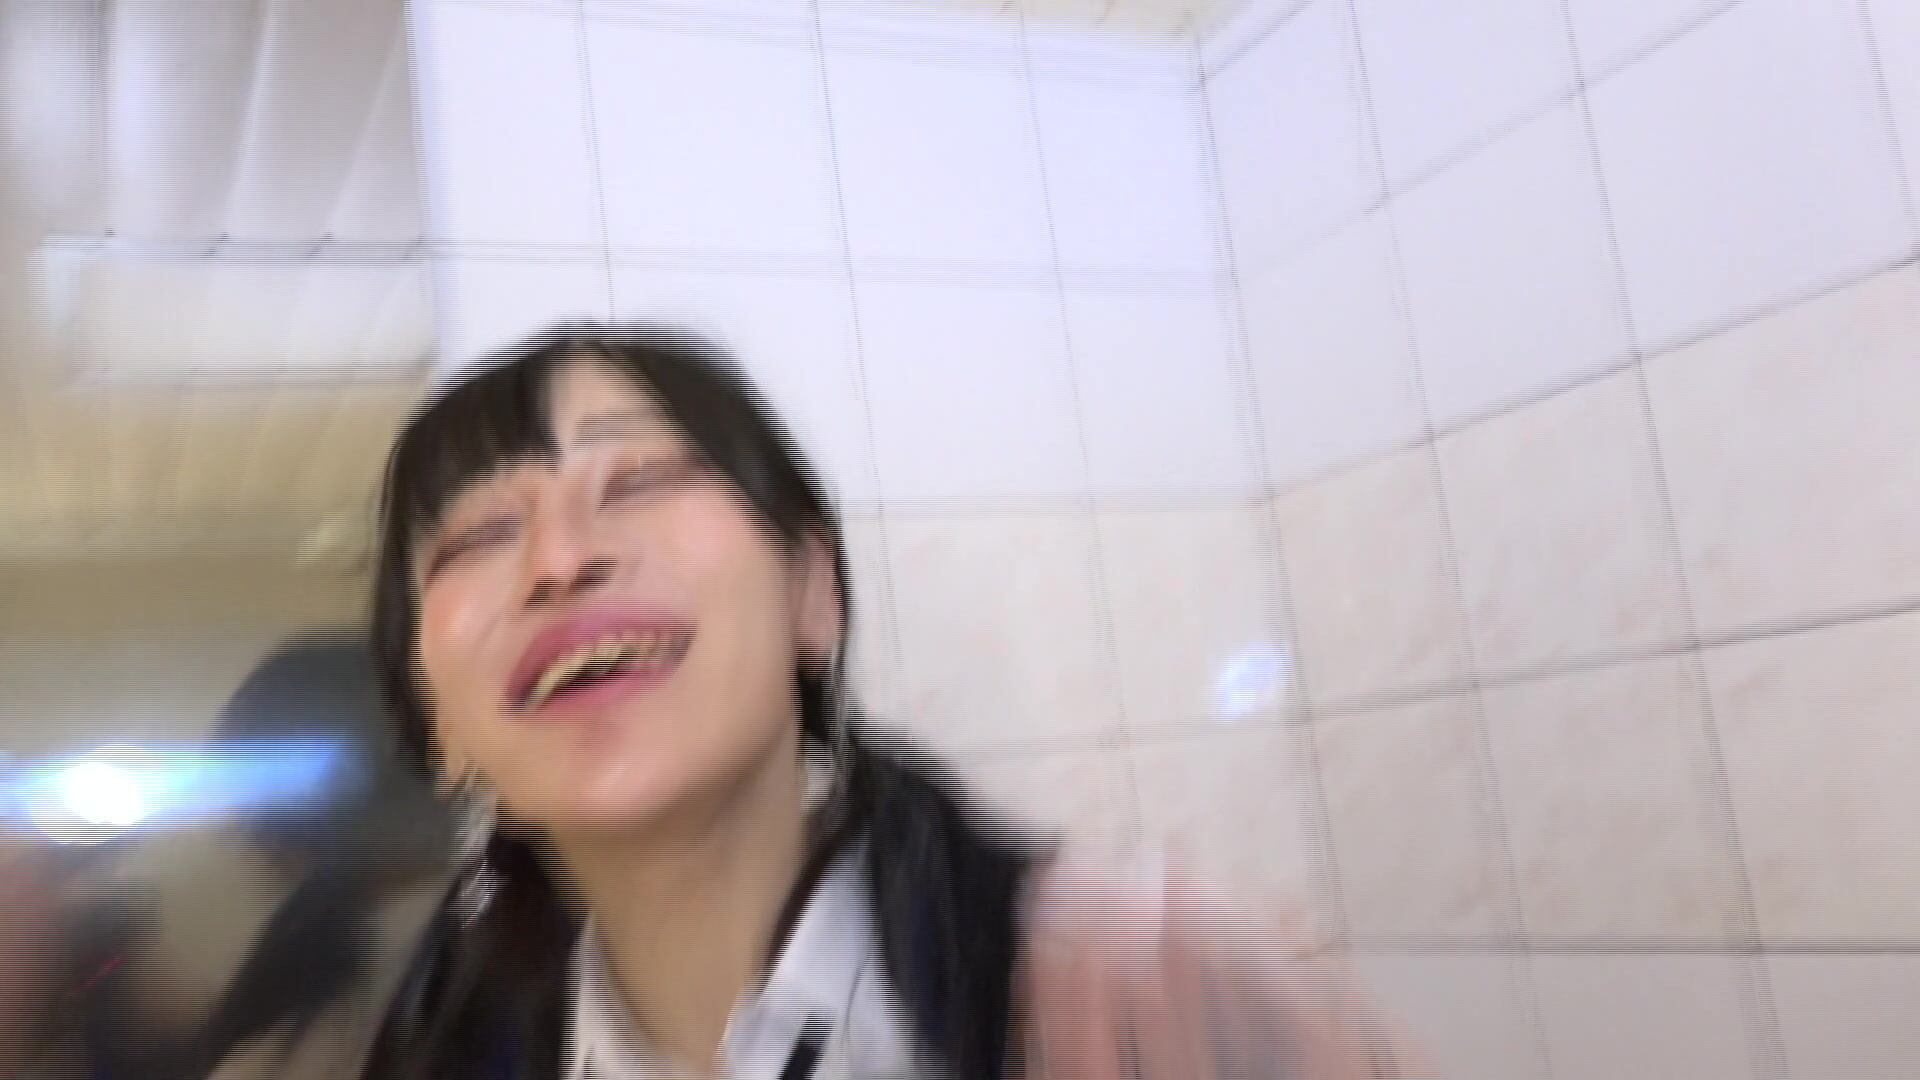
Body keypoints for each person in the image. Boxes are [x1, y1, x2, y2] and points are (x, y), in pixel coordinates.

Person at [354, 323, 1419, 1080]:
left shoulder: (1148, 979)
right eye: (478, 534)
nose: (560, 558)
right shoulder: (436, 1058)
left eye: (636, 479)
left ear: (811, 591)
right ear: (437, 726)